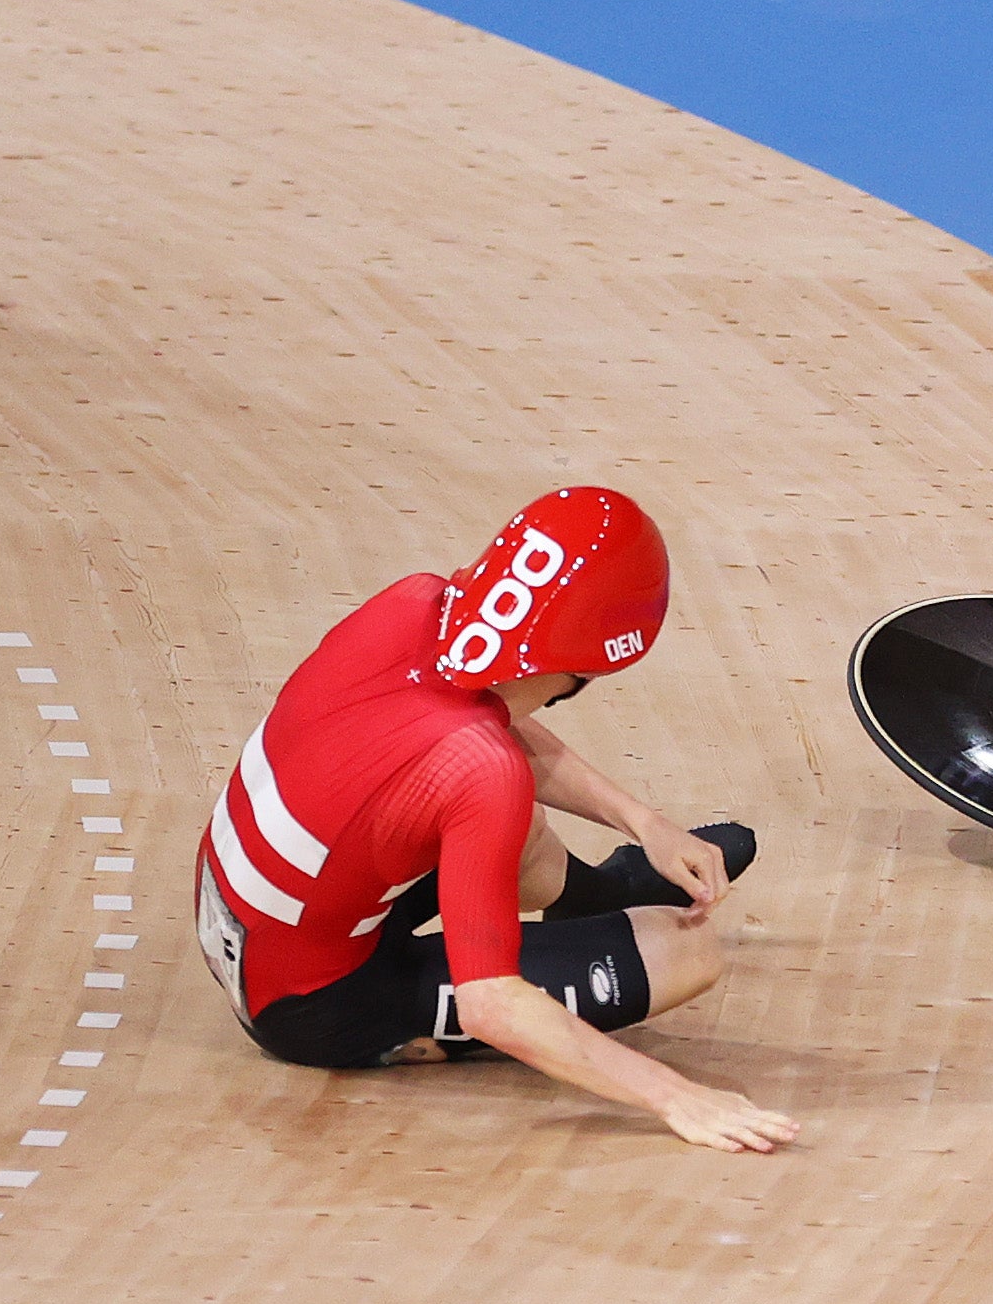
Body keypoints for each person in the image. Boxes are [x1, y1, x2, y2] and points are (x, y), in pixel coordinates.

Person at [195, 486, 798, 1154]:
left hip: (259, 918)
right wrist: (677, 1096)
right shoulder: (482, 769)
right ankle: (401, 1028)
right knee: (688, 951)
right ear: (591, 667)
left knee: (513, 829)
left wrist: (645, 824)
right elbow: (492, 1003)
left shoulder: (411, 604)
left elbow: (489, 715)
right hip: (309, 1007)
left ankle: (589, 900)